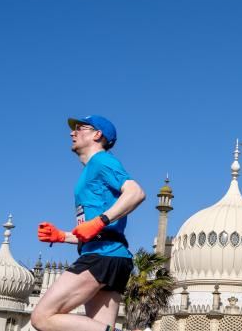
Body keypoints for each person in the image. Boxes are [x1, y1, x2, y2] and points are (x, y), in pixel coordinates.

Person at [31, 115, 146, 331]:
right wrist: (62, 236)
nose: (72, 133)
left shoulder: (102, 161)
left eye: (79, 128)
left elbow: (136, 192)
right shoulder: (89, 171)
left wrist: (100, 221)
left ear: (97, 134)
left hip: (103, 256)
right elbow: (94, 229)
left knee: (42, 317)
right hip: (111, 254)